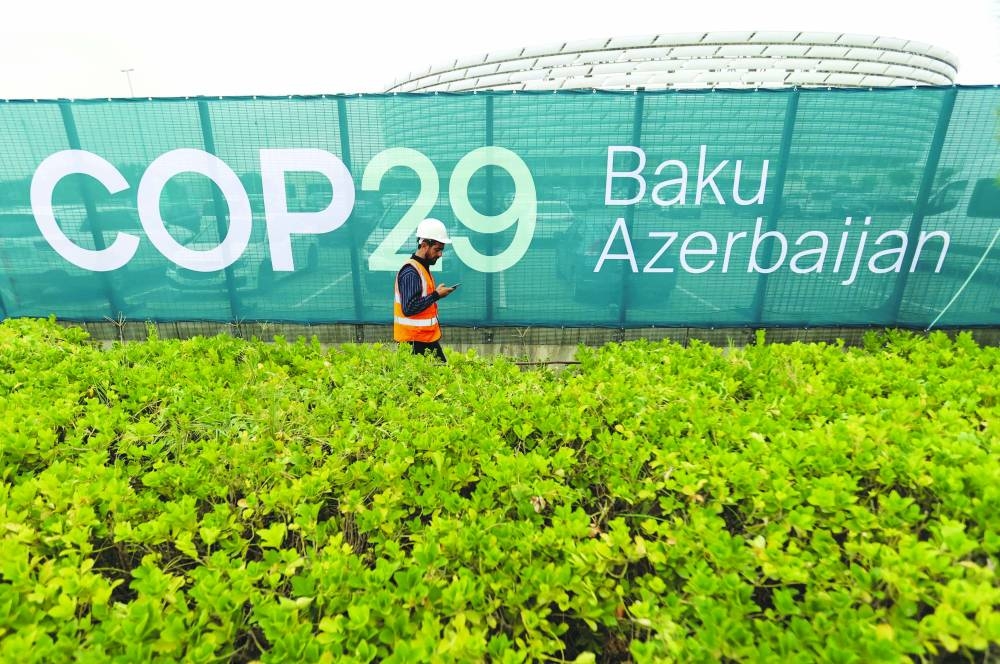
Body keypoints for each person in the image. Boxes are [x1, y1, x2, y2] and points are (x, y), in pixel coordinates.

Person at [393, 218, 458, 362]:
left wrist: (436, 294)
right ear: (424, 245)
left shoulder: (421, 268)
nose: (440, 254)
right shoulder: (411, 272)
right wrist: (436, 295)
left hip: (423, 339)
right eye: (437, 249)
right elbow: (409, 308)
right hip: (413, 343)